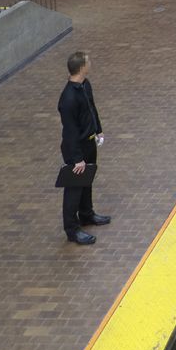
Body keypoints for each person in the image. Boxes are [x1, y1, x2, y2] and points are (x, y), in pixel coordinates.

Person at [58, 51, 110, 245]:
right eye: (88, 62)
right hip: (76, 149)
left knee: (87, 181)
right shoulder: (68, 98)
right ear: (81, 67)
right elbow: (70, 131)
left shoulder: (85, 85)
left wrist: (98, 130)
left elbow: (91, 109)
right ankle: (72, 229)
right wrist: (77, 158)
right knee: (74, 189)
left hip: (88, 142)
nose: (91, 63)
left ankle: (87, 214)